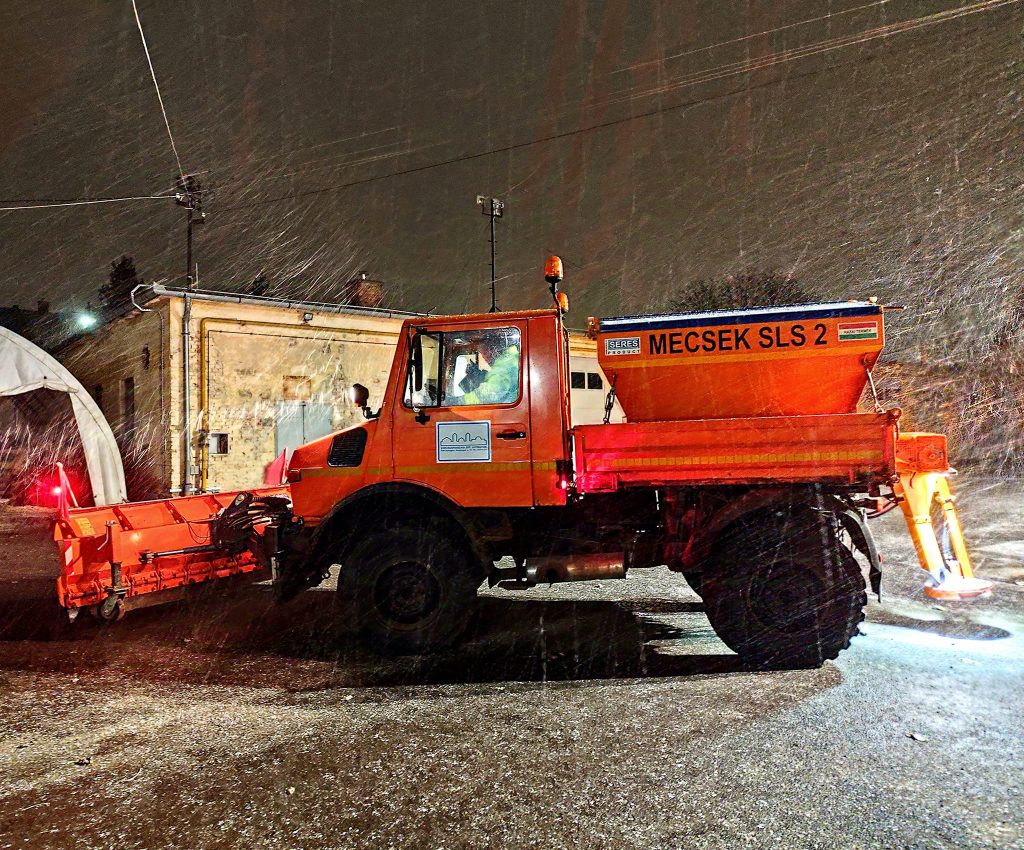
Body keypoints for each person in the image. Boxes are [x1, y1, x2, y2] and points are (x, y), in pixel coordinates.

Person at [459, 334, 519, 405]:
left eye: (484, 352)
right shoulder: (510, 358)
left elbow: (490, 395)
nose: (484, 357)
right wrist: (483, 377)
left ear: (493, 349)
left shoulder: (505, 363)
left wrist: (458, 401)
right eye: (481, 354)